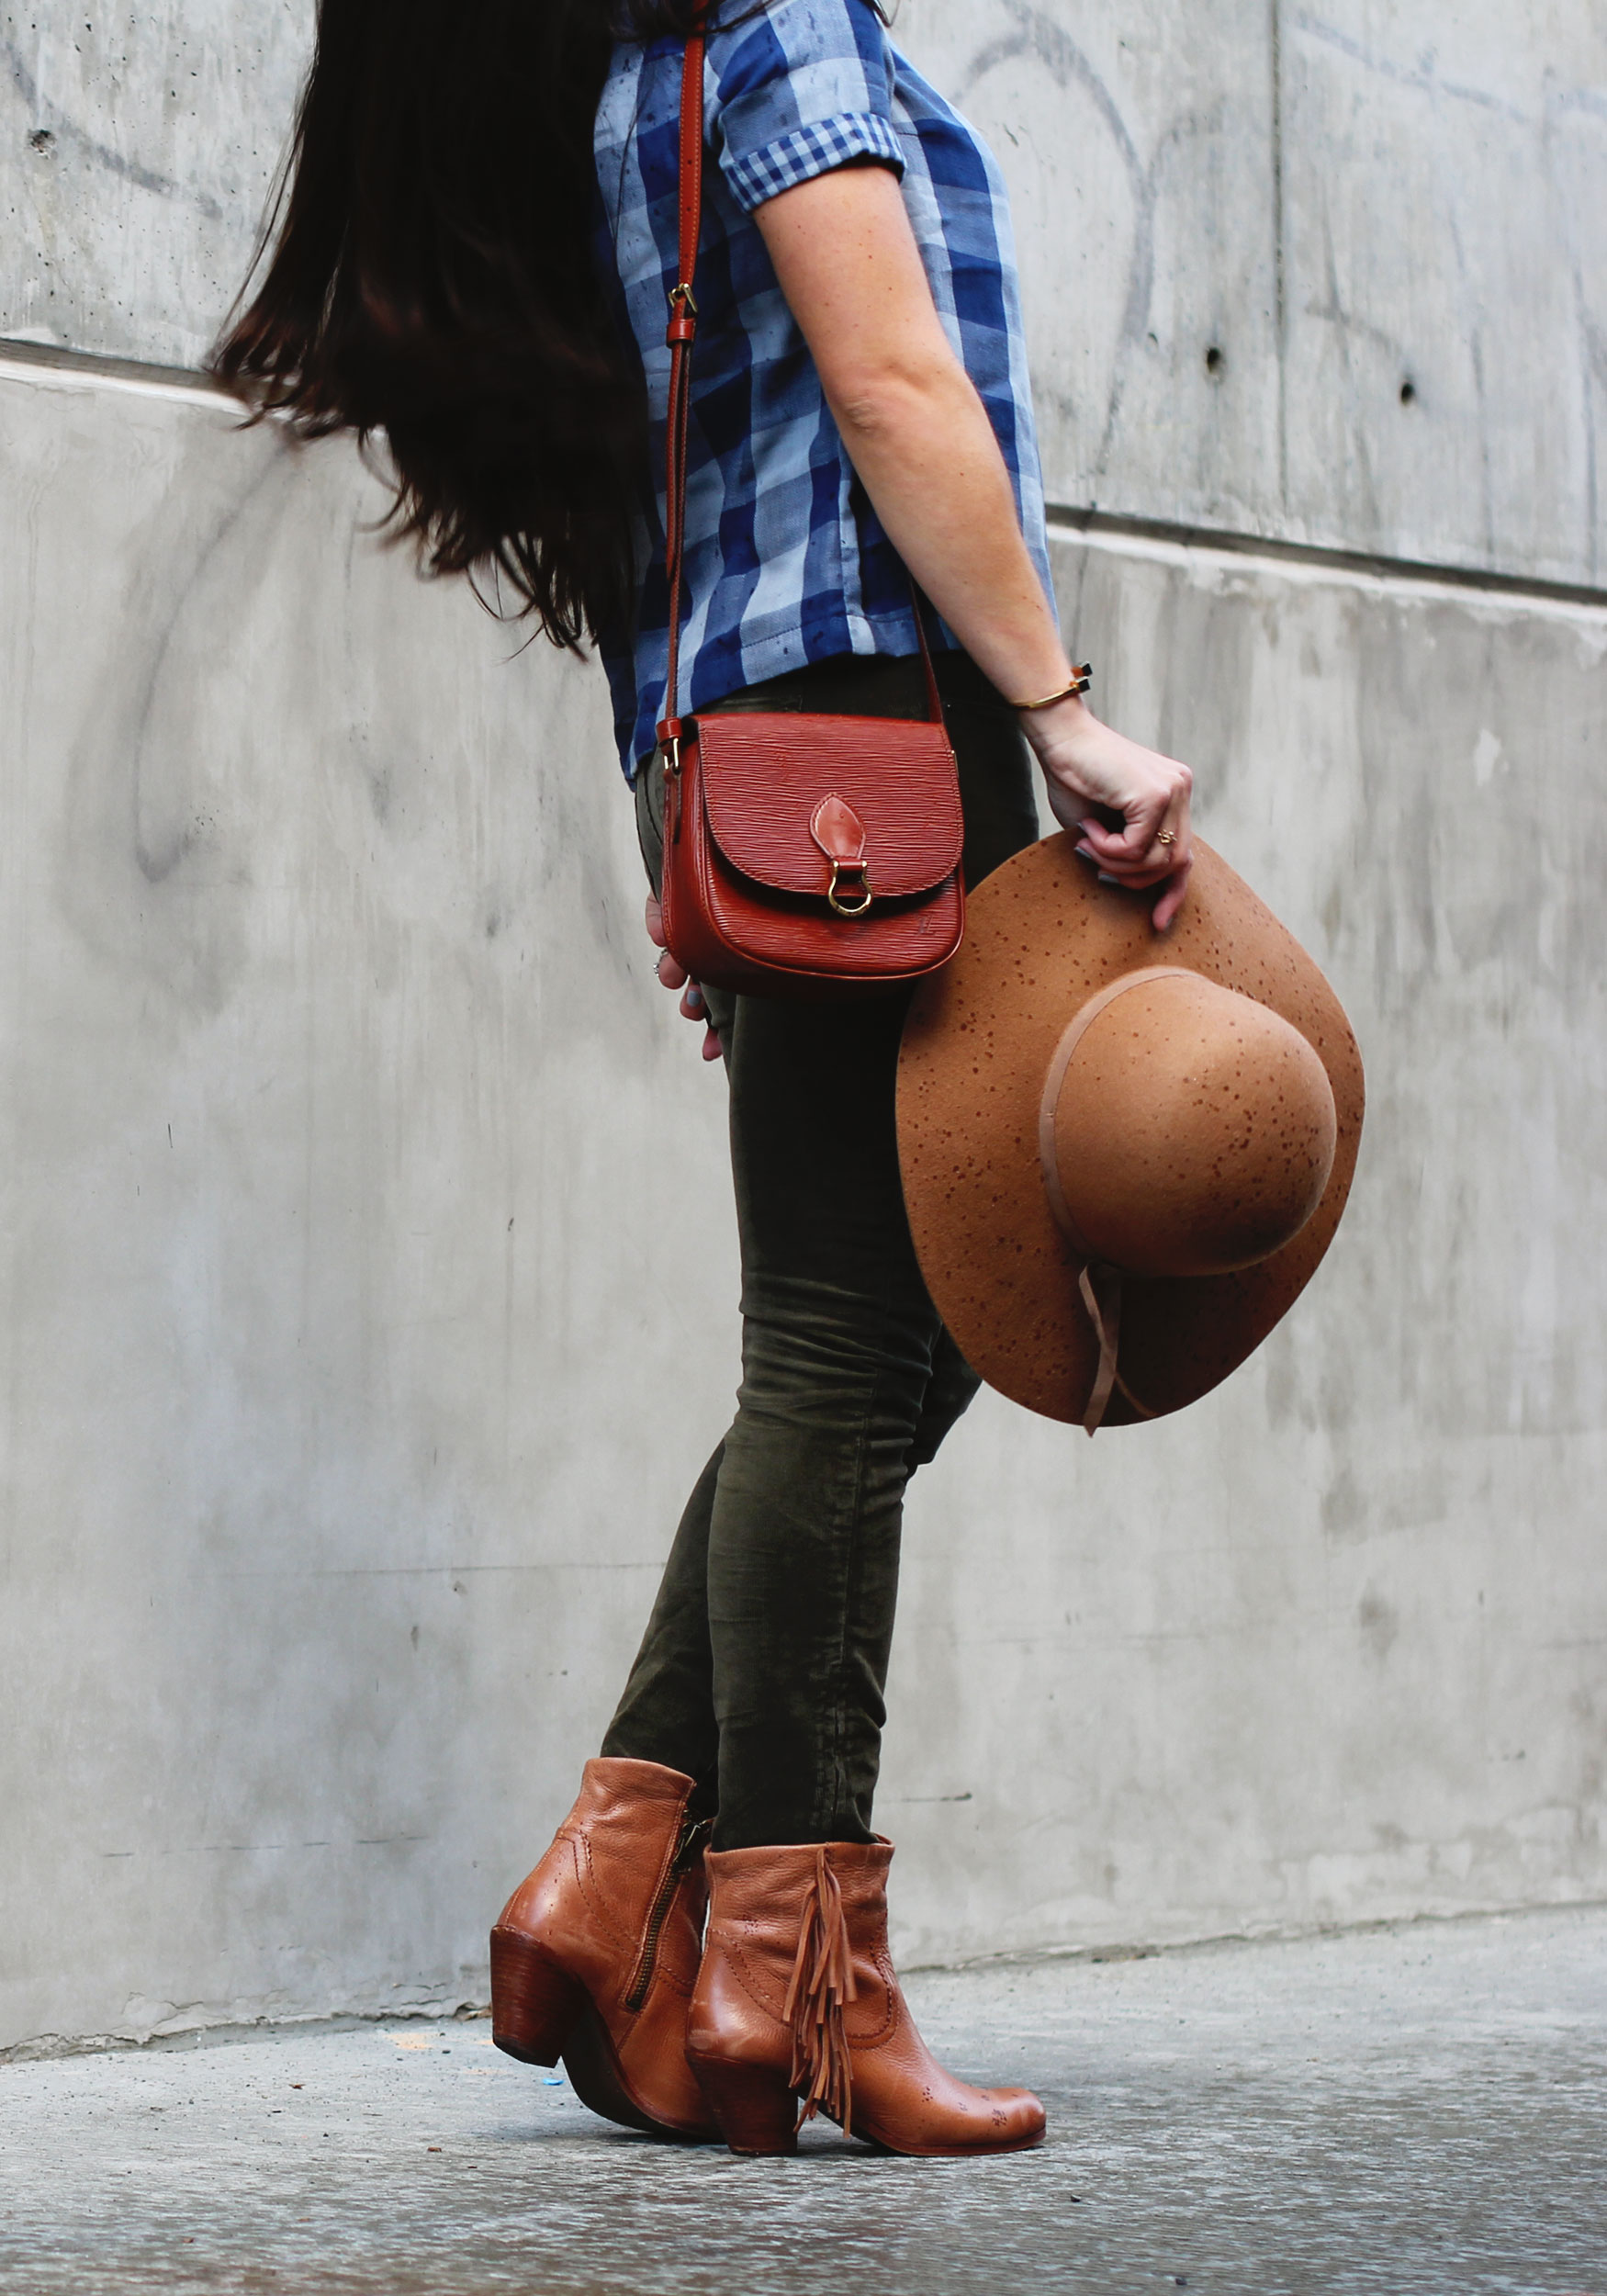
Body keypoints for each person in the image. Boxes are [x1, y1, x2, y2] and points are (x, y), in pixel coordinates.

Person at [214, 0, 1194, 2159]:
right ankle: (795, 1981)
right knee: (861, 1341)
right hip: (887, 721)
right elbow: (889, 375)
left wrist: (694, 834)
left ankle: (620, 1873)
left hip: (753, 747)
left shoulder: (617, 87)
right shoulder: (771, 32)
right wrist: (1061, 710)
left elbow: (650, 506)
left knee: (874, 1338)